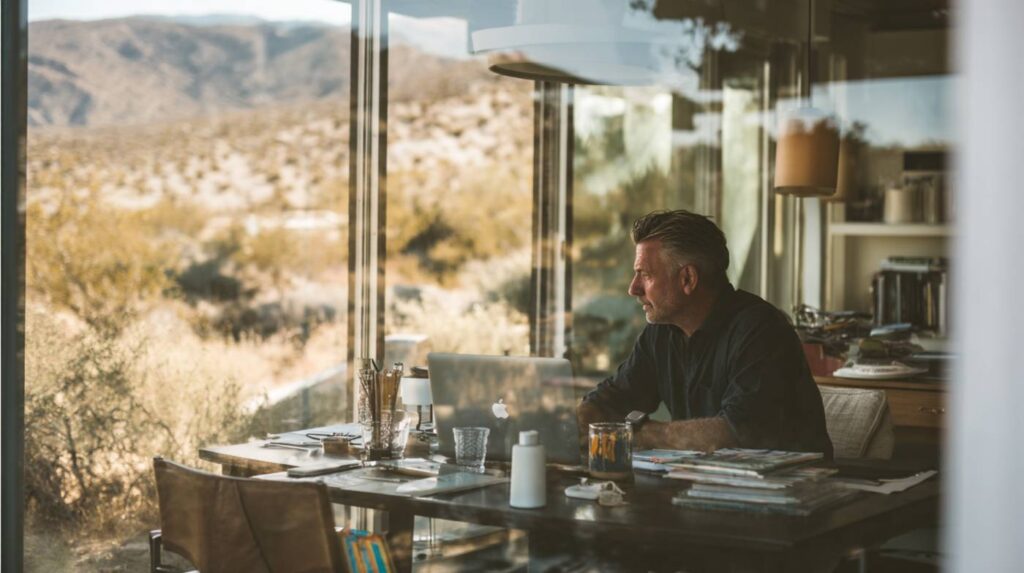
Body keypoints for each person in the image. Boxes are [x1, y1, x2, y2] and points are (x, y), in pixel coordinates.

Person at [577, 210, 833, 457]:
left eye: (645, 275)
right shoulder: (661, 333)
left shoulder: (762, 331)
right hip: (707, 485)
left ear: (687, 278)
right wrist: (569, 425)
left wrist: (638, 434)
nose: (633, 288)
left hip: (793, 490)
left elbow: (735, 431)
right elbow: (614, 399)